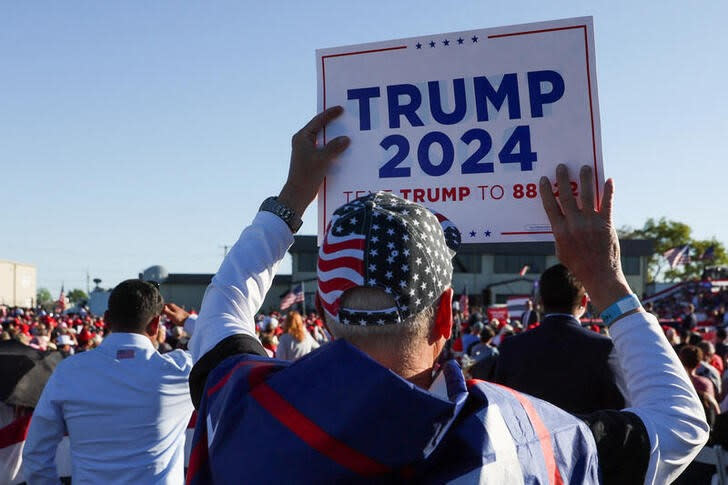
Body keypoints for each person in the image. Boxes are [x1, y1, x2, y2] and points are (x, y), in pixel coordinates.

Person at [184, 107, 707, 484]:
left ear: (323, 311)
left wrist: (292, 197)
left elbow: (223, 306)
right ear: (444, 315)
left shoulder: (244, 405)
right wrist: (608, 281)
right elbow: (680, 426)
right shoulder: (522, 436)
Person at [23, 281, 197, 484]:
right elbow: (229, 343)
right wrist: (188, 321)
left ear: (106, 319)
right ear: (155, 324)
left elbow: (36, 455)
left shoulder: (69, 372)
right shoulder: (181, 371)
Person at [494, 264, 627, 413]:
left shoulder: (511, 347)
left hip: (527, 434)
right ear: (584, 302)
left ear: (540, 301)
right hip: (584, 434)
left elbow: (500, 407)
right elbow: (619, 410)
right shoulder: (603, 348)